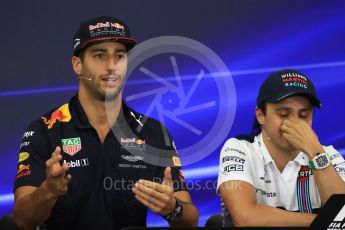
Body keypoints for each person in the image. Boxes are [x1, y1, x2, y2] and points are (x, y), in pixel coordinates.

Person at [13, 16, 199, 230]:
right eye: (100, 55)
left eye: (119, 56)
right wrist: (48, 191)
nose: (112, 66)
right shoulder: (44, 130)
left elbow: (191, 220)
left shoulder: (154, 132)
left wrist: (173, 207)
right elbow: (21, 220)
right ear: (77, 65)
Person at [217, 69, 345, 227]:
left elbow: (344, 214)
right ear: (261, 116)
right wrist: (325, 221)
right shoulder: (240, 148)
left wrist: (315, 153)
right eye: (284, 114)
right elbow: (245, 217)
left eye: (304, 115)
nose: (295, 124)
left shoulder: (327, 154)